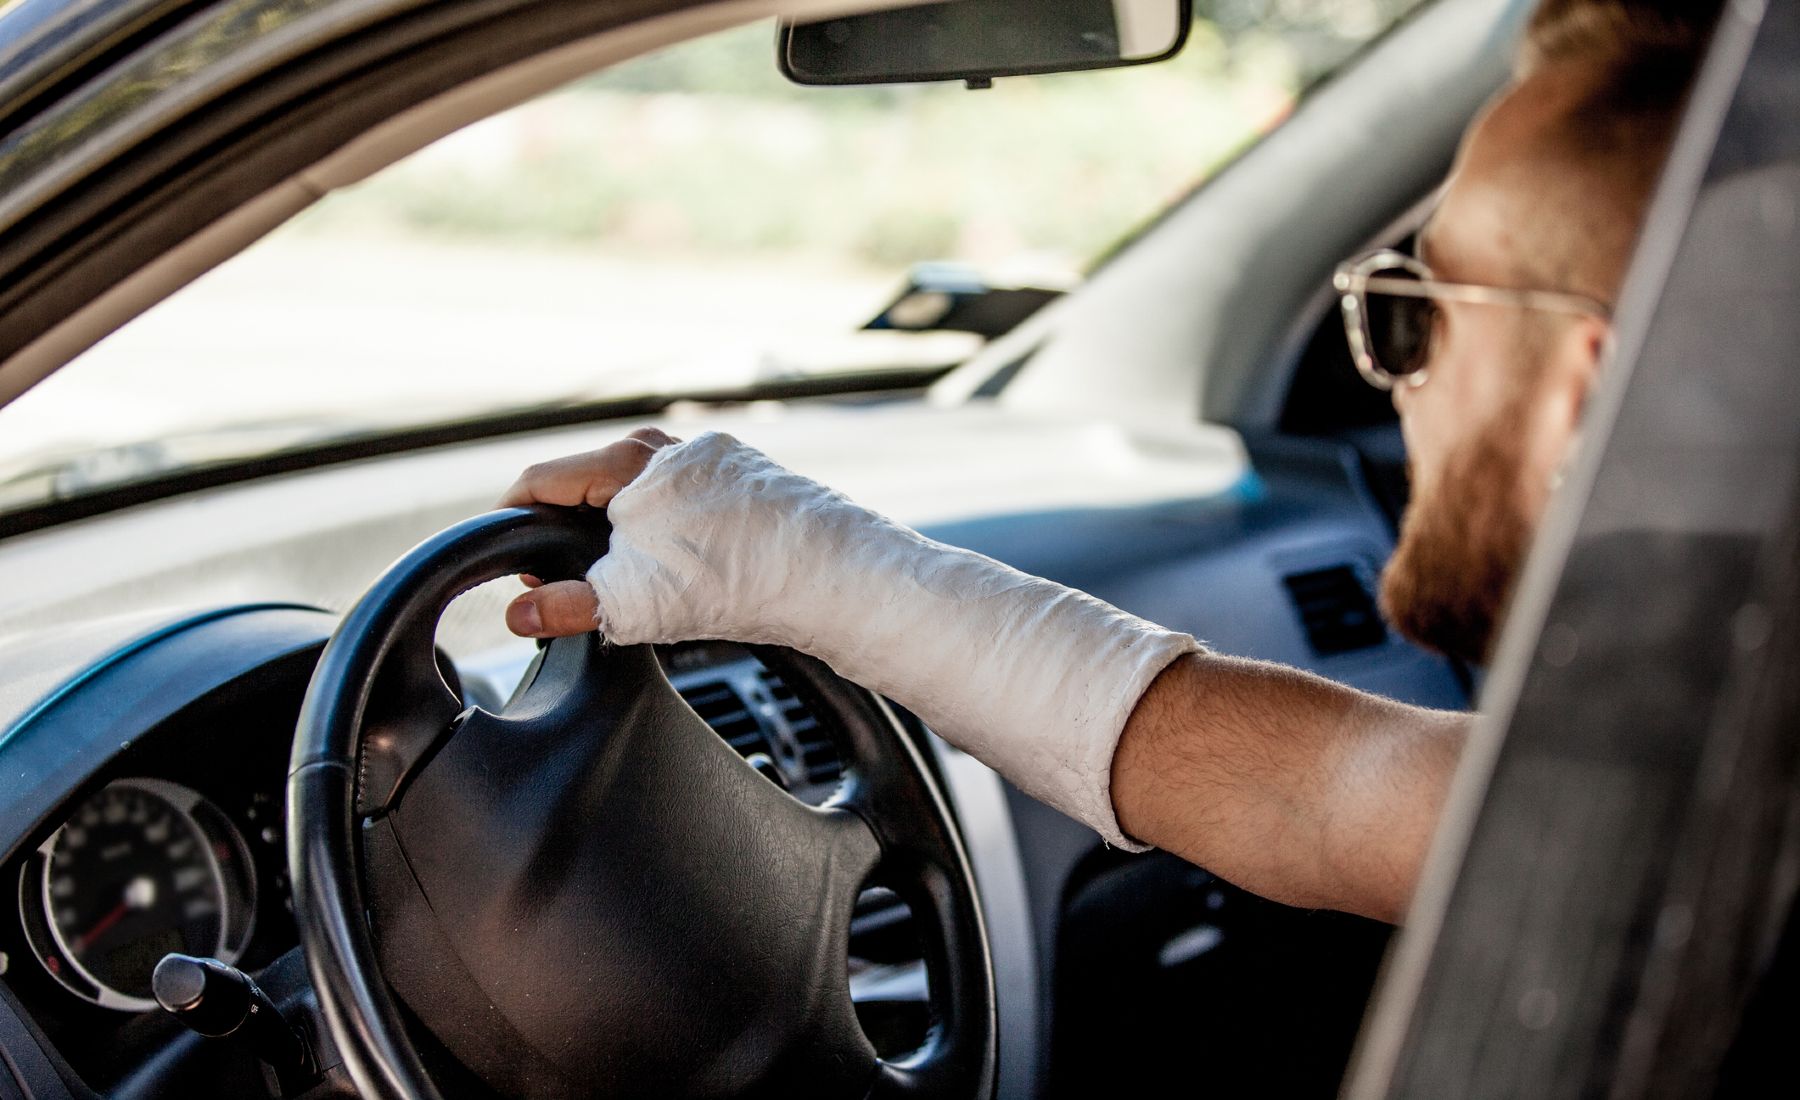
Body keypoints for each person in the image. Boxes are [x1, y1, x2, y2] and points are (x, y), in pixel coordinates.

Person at [493, 0, 1719, 925]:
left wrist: (804, 556)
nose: (1400, 378)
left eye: (1418, 317)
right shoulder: (1708, 776)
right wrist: (803, 561)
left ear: (1589, 388)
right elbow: (1330, 793)